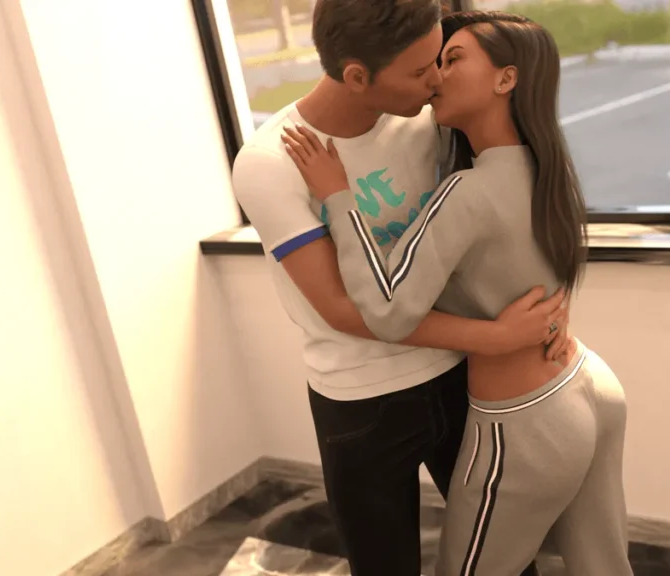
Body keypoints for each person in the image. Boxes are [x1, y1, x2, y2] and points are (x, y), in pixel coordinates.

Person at [281, 9, 633, 576]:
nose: (437, 77)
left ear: (506, 78)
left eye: (453, 59)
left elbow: (388, 311)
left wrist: (337, 197)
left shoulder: (467, 192)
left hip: (525, 422)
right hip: (587, 383)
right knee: (604, 567)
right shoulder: (549, 167)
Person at [232, 2, 561, 575]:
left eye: (440, 60)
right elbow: (342, 308)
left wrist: (547, 316)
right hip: (361, 402)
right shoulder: (270, 162)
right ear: (358, 75)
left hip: (461, 378)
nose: (437, 80)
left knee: (509, 559)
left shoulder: (428, 118)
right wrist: (497, 336)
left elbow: (504, 215)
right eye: (419, 71)